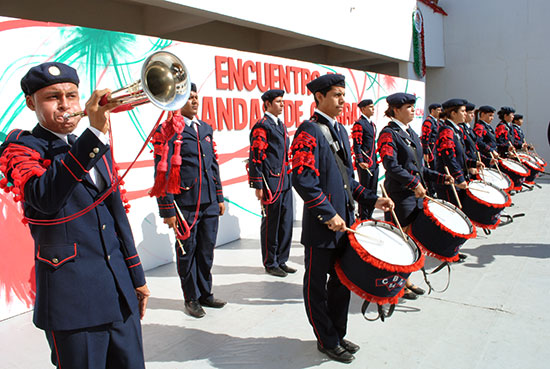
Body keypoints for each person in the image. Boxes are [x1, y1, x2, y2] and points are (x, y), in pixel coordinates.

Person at [0, 62, 150, 368]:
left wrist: (136, 276)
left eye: (72, 95)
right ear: (31, 103)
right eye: (53, 97)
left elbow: (116, 214)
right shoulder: (21, 148)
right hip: (72, 301)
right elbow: (44, 198)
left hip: (118, 291)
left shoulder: (94, 145)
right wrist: (93, 133)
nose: (66, 105)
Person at [290, 74, 394, 364]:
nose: (342, 101)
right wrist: (328, 213)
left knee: (341, 283)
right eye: (336, 95)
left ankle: (337, 333)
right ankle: (326, 340)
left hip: (345, 226)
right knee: (316, 287)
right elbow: (302, 179)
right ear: (319, 97)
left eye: (343, 95)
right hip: (322, 229)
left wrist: (373, 199)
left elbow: (348, 181)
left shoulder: (341, 132)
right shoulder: (308, 131)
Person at [151, 83, 226, 318]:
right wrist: (167, 210)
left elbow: (212, 165)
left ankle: (206, 293)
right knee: (187, 251)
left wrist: (220, 196)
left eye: (196, 97)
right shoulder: (168, 129)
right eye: (189, 97)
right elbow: (161, 171)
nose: (194, 101)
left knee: (206, 251)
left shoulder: (205, 128)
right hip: (185, 203)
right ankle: (191, 298)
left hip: (209, 202)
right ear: (177, 101)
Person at [377, 93, 452, 298]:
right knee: (400, 241)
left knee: (411, 241)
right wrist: (413, 183)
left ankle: (406, 280)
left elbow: (419, 168)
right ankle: (397, 285)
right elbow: (391, 166)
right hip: (401, 196)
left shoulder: (410, 133)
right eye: (408, 107)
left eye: (413, 106)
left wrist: (441, 178)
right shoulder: (388, 134)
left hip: (415, 196)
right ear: (395, 110)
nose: (412, 110)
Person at [248, 89, 295, 277]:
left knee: (286, 222)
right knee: (271, 223)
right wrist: (258, 184)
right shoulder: (262, 126)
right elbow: (256, 156)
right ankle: (270, 262)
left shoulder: (280, 125)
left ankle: (282, 259)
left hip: (285, 180)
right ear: (267, 104)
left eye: (283, 101)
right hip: (271, 182)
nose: (282, 104)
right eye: (278, 101)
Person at [434, 99, 483, 205]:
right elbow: (449, 158)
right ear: (453, 113)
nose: (465, 114)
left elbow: (461, 155)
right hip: (449, 181)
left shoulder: (456, 130)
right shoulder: (446, 131)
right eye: (463, 111)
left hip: (456, 178)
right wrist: (459, 178)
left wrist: (473, 163)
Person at [351, 99, 379, 219]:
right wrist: (360, 160)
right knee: (365, 190)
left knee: (373, 189)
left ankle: (370, 214)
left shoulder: (372, 124)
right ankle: (363, 216)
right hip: (365, 163)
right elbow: (357, 144)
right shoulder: (359, 124)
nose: (373, 109)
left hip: (374, 163)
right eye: (370, 107)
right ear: (363, 109)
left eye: (373, 107)